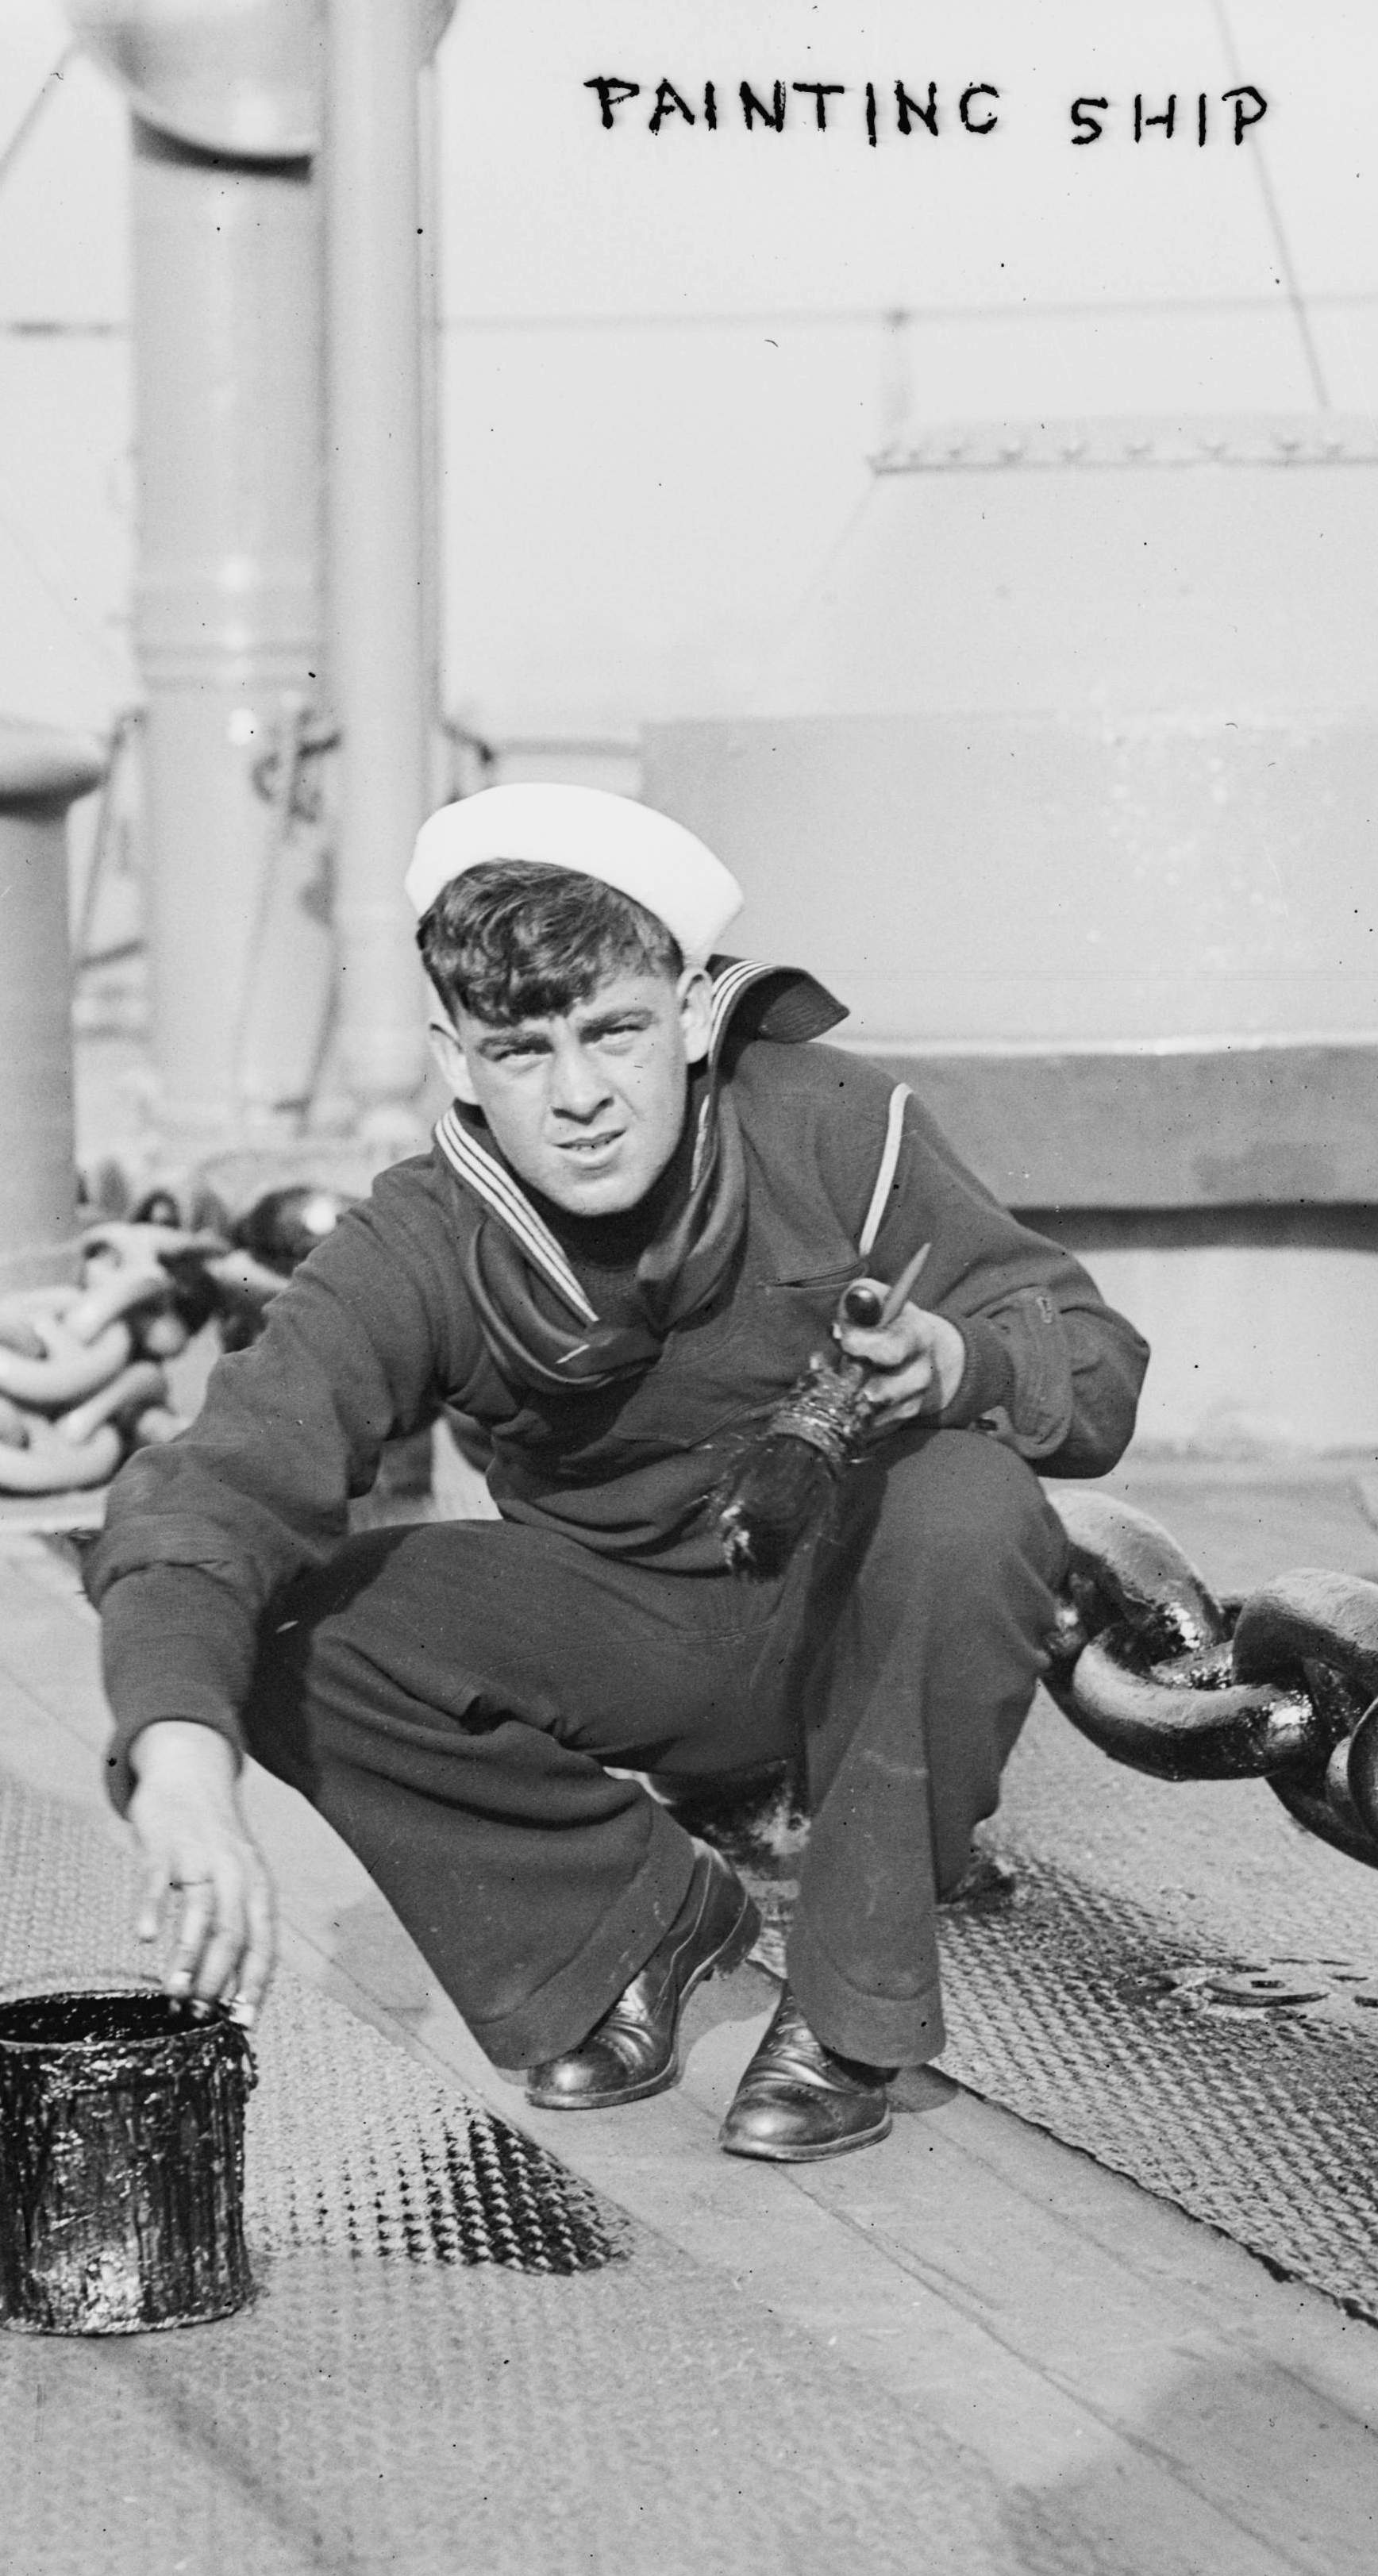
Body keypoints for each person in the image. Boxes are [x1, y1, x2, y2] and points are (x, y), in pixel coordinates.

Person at [87, 785, 1147, 2162]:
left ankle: (850, 2011)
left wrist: (959, 1362)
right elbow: (217, 1489)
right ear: (455, 1059)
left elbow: (1097, 1366)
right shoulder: (422, 1240)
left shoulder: (838, 1123)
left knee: (964, 1499)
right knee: (298, 1629)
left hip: (869, 1632)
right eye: (520, 1051)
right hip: (643, 1649)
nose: (578, 1097)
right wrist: (176, 1764)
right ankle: (629, 1929)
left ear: (694, 1013)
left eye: (616, 1032)